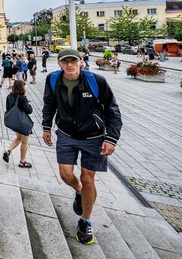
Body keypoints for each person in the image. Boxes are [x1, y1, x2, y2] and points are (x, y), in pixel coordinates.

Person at [42, 49, 122, 246]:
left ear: (81, 62)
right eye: (65, 61)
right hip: (66, 133)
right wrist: (46, 126)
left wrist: (111, 138)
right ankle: (79, 192)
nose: (70, 65)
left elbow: (113, 110)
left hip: (93, 137)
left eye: (73, 61)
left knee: (88, 178)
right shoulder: (53, 80)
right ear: (59, 64)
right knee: (65, 174)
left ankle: (85, 221)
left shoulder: (96, 81)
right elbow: (49, 103)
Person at [3, 79, 33, 168]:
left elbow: (8, 108)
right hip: (22, 123)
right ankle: (22, 161)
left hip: (14, 122)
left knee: (18, 138)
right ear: (22, 87)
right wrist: (28, 103)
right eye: (25, 85)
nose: (26, 87)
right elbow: (29, 110)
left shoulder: (9, 96)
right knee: (24, 142)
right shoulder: (22, 98)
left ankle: (8, 151)